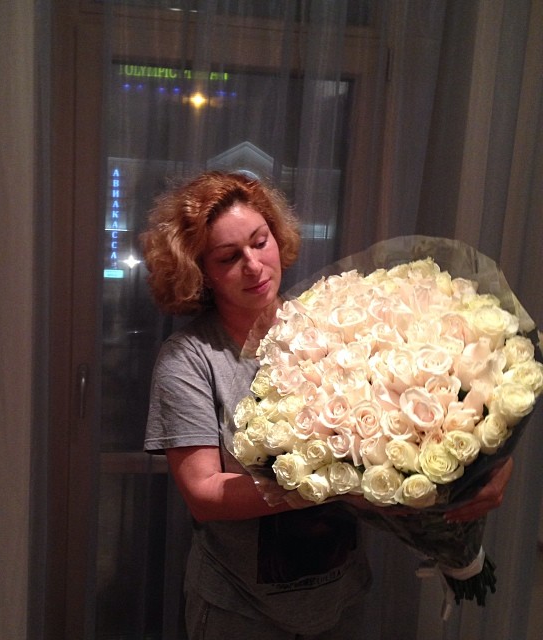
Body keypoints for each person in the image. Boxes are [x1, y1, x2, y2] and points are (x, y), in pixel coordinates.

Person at [140, 171, 512, 639]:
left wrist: (488, 457)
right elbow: (204, 494)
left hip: (342, 599)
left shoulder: (335, 322)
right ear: (201, 272)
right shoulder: (190, 359)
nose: (254, 265)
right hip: (240, 610)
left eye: (260, 241)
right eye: (229, 257)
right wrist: (333, 487)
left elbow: (439, 402)